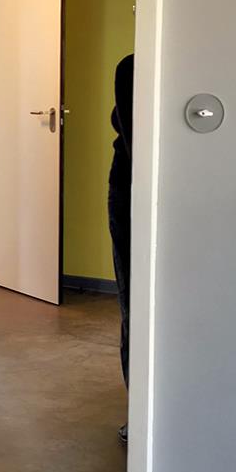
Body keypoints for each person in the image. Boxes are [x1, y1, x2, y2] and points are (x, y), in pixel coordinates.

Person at [108, 54, 134, 443]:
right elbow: (135, 143)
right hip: (132, 191)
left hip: (133, 188)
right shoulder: (132, 69)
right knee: (137, 306)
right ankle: (143, 410)